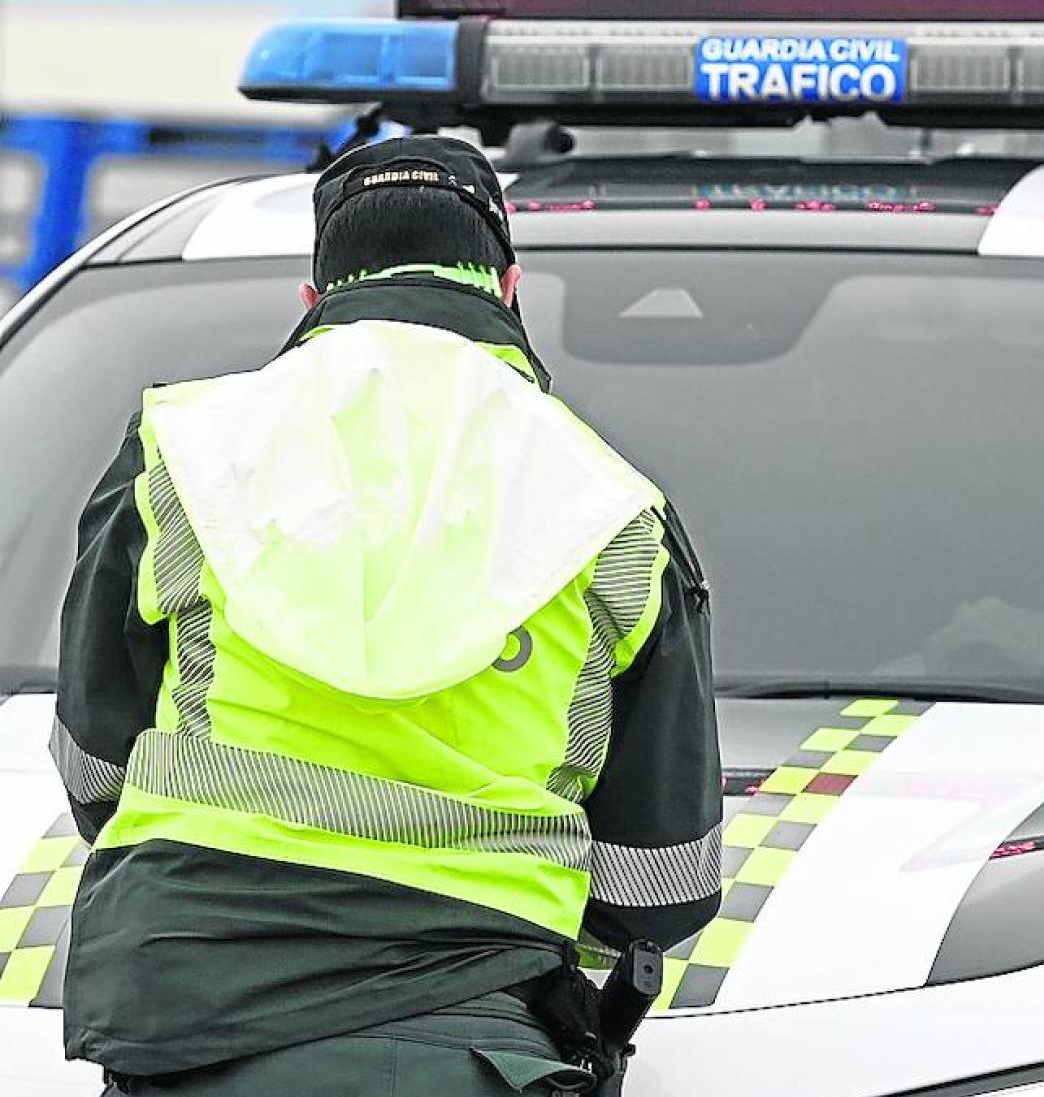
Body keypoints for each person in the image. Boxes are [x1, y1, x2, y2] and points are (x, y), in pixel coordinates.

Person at [51, 136, 722, 1095]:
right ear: (509, 286)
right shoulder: (610, 506)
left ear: (313, 302)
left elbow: (95, 773)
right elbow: (658, 890)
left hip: (180, 1011)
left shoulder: (184, 448)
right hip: (469, 1039)